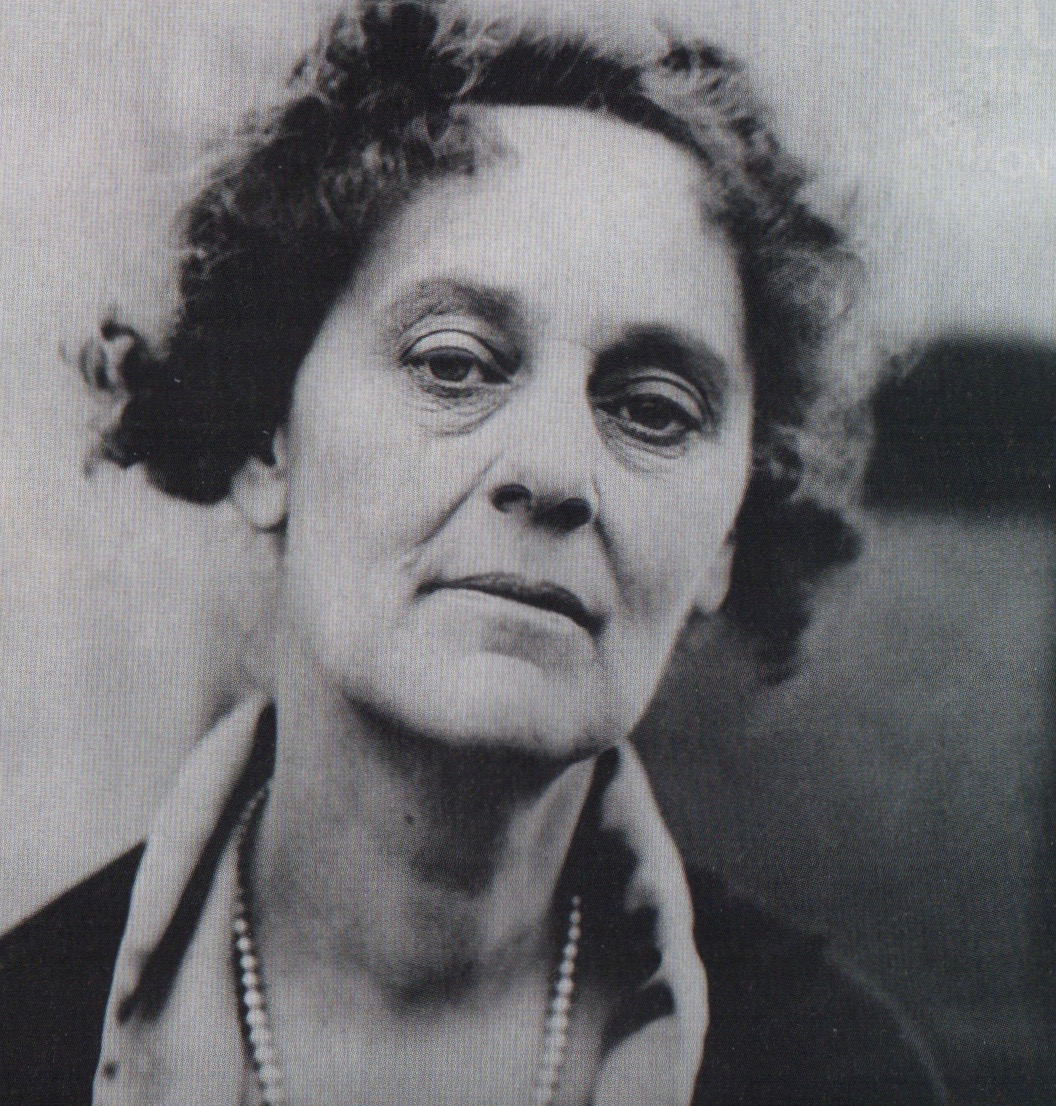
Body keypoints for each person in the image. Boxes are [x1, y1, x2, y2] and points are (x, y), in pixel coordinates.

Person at [0, 1, 948, 1103]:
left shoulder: (841, 1074)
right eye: (453, 364)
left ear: (731, 533)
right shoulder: (24, 1039)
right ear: (266, 438)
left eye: (653, 409)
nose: (554, 470)